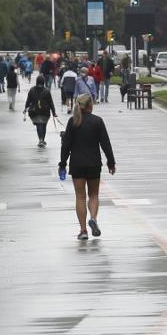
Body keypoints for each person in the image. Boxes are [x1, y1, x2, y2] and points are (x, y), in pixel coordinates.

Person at [59, 93, 115, 240]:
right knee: (94, 195)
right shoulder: (97, 121)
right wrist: (111, 162)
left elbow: (66, 145)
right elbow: (105, 144)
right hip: (94, 164)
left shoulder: (73, 122)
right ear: (90, 105)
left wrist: (62, 164)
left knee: (80, 197)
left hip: (77, 164)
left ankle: (83, 230)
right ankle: (94, 219)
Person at [24, 74, 56, 147]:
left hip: (35, 111)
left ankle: (41, 140)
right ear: (43, 82)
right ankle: (42, 139)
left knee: (39, 125)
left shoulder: (32, 90)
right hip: (45, 111)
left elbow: (28, 100)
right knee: (43, 125)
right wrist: (54, 112)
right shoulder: (47, 91)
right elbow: (51, 102)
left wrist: (25, 108)